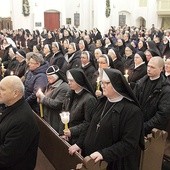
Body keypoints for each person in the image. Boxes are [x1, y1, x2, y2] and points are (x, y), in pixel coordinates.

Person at [69, 68, 144, 170]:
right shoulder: (102, 102)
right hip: (91, 158)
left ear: (117, 85)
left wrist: (104, 154)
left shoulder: (132, 111)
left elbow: (129, 143)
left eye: (107, 83)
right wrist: (79, 143)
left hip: (113, 163)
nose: (102, 85)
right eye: (102, 82)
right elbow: (90, 125)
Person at [0, 76, 39, 170]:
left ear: (15, 93)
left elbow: (6, 157)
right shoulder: (10, 105)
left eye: (2, 89)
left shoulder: (23, 121)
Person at [60, 68, 97, 146]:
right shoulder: (70, 93)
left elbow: (89, 123)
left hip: (79, 140)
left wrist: (72, 131)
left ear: (79, 81)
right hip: (67, 135)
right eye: (68, 80)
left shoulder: (89, 99)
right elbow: (64, 112)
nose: (68, 83)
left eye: (71, 81)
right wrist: (63, 133)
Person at [134, 57, 170, 135]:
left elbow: (162, 116)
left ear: (161, 69)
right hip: (136, 123)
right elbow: (133, 101)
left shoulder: (166, 90)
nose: (149, 69)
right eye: (148, 66)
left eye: (152, 67)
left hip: (151, 131)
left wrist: (143, 127)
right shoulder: (141, 83)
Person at [36, 65, 70, 132]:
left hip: (54, 119)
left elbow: (56, 104)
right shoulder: (50, 85)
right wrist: (39, 99)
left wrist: (42, 97)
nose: (48, 79)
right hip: (46, 116)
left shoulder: (64, 87)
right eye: (47, 77)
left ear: (56, 76)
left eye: (50, 78)